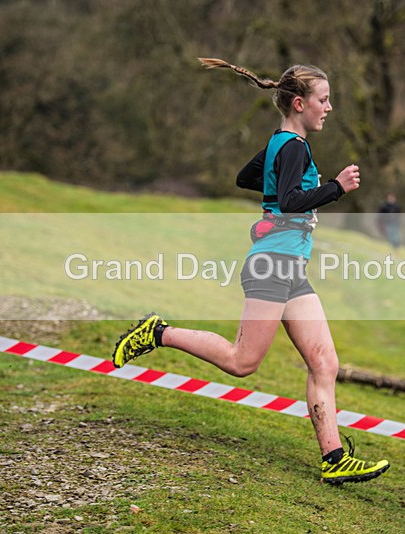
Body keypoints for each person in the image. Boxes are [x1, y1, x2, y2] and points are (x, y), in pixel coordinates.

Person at [112, 58, 389, 485]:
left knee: (324, 363)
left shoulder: (281, 141)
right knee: (243, 362)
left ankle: (334, 457)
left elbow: (247, 178)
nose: (329, 108)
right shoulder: (293, 146)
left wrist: (276, 190)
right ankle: (159, 332)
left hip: (290, 267)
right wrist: (335, 187)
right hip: (273, 266)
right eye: (324, 100)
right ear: (300, 103)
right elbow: (294, 200)